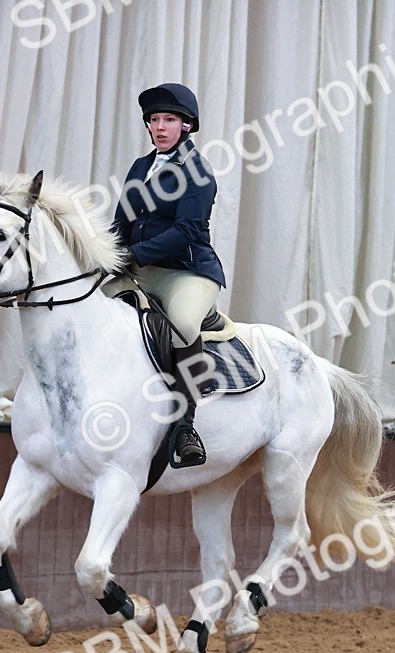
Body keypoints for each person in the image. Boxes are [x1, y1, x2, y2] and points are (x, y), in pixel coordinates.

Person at [109, 83, 225, 468]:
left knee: (182, 324)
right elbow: (123, 219)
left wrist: (134, 254)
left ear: (187, 126)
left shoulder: (199, 172)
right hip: (139, 268)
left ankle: (185, 427)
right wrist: (106, 255)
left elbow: (187, 232)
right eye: (154, 120)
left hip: (187, 272)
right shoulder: (140, 167)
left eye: (169, 120)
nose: (160, 127)